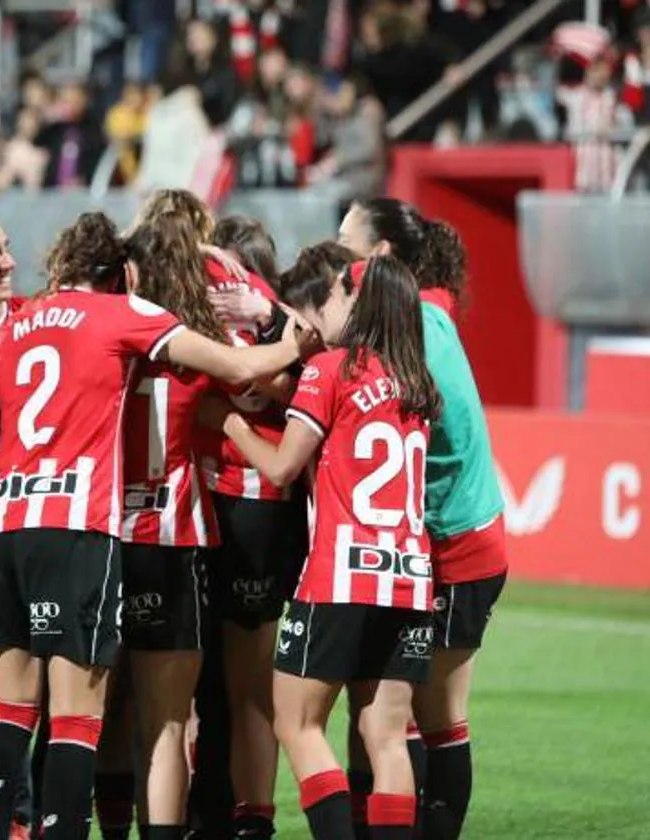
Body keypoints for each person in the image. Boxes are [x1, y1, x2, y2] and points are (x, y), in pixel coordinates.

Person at [0, 211, 311, 840]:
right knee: (117, 719)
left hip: (6, 522)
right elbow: (242, 373)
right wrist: (294, 341)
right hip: (105, 530)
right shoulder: (131, 319)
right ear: (124, 274)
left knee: (11, 712)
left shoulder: (22, 323)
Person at [223, 252, 441, 840]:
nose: (328, 309)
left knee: (297, 725)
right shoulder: (420, 383)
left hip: (341, 574)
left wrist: (232, 425)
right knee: (387, 736)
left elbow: (282, 467)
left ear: (359, 303)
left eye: (337, 297)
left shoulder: (333, 369)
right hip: (411, 577)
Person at [338, 198, 507, 840]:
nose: (335, 255)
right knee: (403, 715)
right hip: (447, 544)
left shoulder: (411, 319)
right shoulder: (428, 309)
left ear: (377, 258)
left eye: (344, 243)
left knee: (422, 718)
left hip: (458, 549)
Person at [140, 190, 300, 840]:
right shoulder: (244, 285)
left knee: (165, 694)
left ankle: (171, 821)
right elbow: (295, 373)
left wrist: (226, 412)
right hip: (242, 505)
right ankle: (242, 822)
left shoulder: (155, 289)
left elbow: (270, 381)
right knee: (241, 688)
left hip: (192, 503)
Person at [115, 215, 228, 840]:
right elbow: (263, 384)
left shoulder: (97, 338)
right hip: (171, 539)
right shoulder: (197, 354)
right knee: (166, 721)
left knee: (85, 717)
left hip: (99, 538)